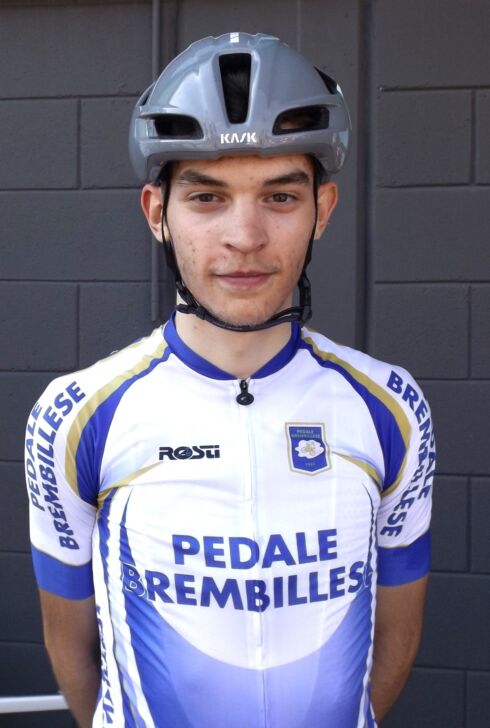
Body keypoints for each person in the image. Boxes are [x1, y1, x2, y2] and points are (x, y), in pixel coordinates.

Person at [24, 32, 435, 728]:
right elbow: (70, 643)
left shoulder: (390, 406)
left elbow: (398, 630)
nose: (245, 236)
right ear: (158, 213)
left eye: (280, 197)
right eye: (208, 198)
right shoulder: (76, 414)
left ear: (322, 210)